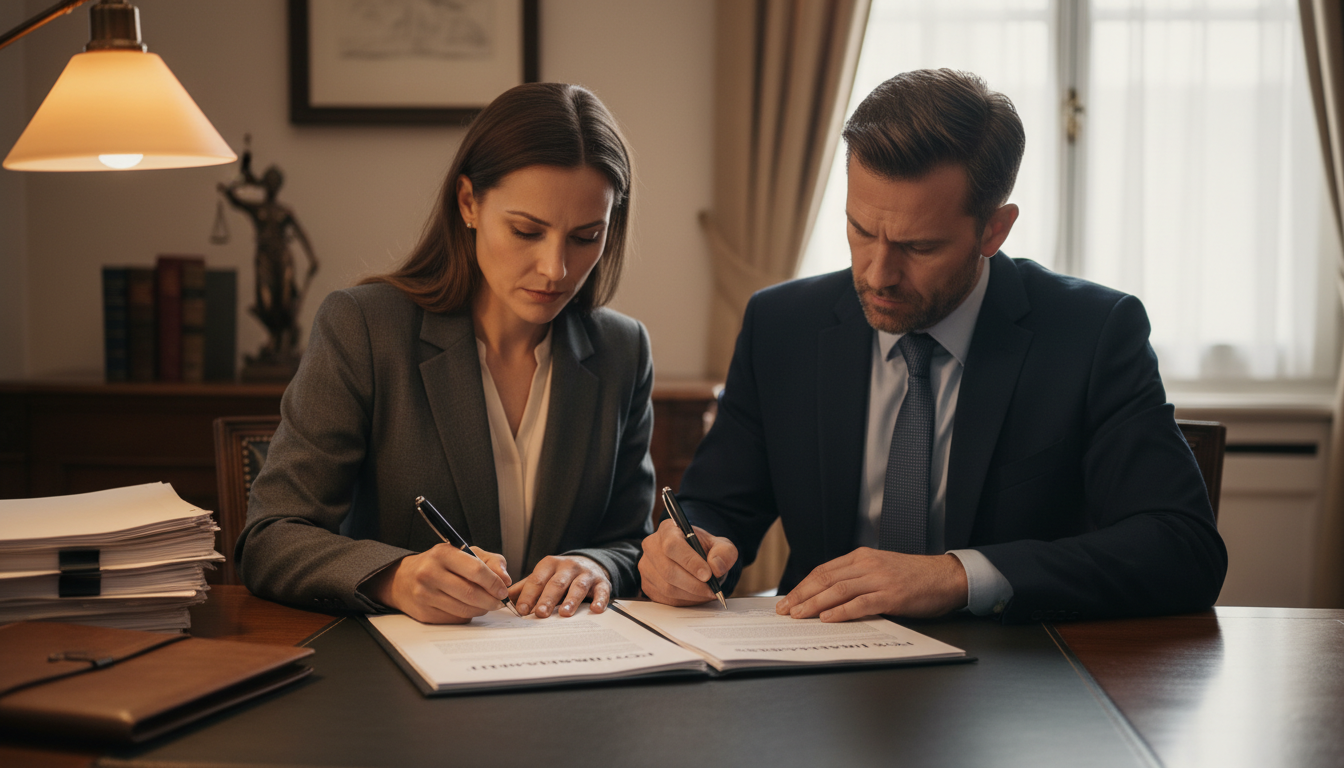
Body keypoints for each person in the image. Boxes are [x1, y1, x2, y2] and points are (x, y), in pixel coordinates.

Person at [640, 69, 1227, 624]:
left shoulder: (1093, 334)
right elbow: (714, 508)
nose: (877, 273)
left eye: (918, 248)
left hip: (1019, 683)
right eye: (861, 230)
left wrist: (956, 578)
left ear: (994, 230)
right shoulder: (782, 325)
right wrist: (685, 552)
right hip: (815, 672)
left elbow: (1183, 548)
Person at [237, 82, 654, 624]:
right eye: (527, 231)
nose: (556, 269)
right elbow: (270, 538)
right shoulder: (364, 327)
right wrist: (394, 576)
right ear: (468, 203)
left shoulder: (623, 351)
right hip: (399, 686)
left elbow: (629, 542)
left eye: (585, 236)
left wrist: (593, 564)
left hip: (569, 680)